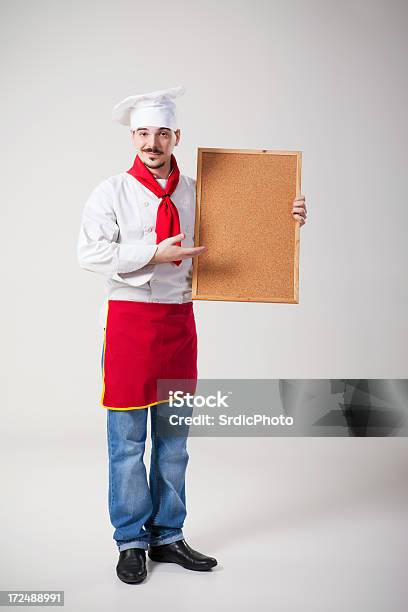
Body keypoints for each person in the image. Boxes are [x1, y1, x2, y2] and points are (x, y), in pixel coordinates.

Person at [77, 86, 307, 585]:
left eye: (162, 133)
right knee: (126, 442)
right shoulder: (111, 192)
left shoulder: (200, 191)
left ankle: (167, 535)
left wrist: (287, 217)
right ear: (133, 137)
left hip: (180, 325)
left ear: (176, 136)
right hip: (129, 323)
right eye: (143, 133)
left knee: (175, 442)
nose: (152, 142)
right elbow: (89, 254)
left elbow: (245, 231)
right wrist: (149, 256)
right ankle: (131, 541)